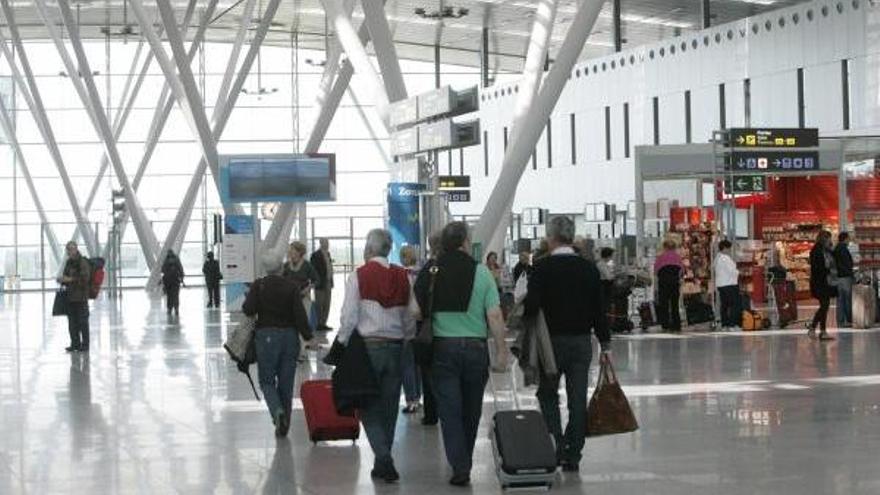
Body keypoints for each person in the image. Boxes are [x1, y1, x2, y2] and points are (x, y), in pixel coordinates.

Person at [414, 221, 508, 487]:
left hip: (443, 348)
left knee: (449, 410)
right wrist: (501, 351)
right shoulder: (482, 272)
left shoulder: (431, 270)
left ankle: (461, 466)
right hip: (476, 350)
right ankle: (464, 457)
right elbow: (494, 314)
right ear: (466, 241)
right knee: (471, 408)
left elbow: (414, 310)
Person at [524, 216, 610, 473]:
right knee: (577, 398)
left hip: (549, 343)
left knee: (548, 394)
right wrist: (605, 343)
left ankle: (557, 445)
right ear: (572, 238)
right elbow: (599, 310)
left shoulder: (541, 268)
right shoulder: (589, 269)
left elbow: (531, 307)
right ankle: (574, 452)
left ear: (550, 238)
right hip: (581, 343)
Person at [336, 229, 414, 483]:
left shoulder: (359, 275)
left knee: (367, 405)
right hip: (396, 347)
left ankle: (384, 457)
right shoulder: (403, 276)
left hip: (368, 349)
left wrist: (341, 343)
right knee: (390, 407)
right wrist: (407, 338)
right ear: (388, 249)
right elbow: (410, 315)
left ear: (369, 249)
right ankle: (383, 461)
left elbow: (349, 316)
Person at [242, 253, 312, 437]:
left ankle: (277, 412)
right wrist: (308, 336)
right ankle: (285, 424)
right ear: (281, 267)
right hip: (290, 338)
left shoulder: (260, 285)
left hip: (266, 337)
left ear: (265, 268)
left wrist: (252, 297)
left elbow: (248, 309)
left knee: (266, 380)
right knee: (286, 383)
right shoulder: (291, 286)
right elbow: (299, 315)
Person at [413, 233, 441, 427]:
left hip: (428, 331)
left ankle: (431, 414)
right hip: (451, 330)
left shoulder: (426, 271)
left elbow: (416, 303)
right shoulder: (452, 269)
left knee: (428, 372)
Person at [399, 245, 422, 415]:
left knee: (406, 363)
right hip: (421, 324)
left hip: (407, 323)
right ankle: (418, 396)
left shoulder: (403, 276)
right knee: (417, 364)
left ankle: (411, 398)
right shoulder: (422, 273)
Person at [59, 241, 91, 352]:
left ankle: (85, 345)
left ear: (76, 249)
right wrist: (62, 280)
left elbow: (85, 279)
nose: (69, 251)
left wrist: (70, 279)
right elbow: (65, 276)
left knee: (83, 323)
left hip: (81, 298)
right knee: (72, 323)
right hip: (70, 297)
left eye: (71, 249)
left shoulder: (82, 262)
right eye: (68, 249)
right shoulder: (69, 262)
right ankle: (75, 344)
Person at [283, 241, 319, 335]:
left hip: (303, 298)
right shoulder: (286, 266)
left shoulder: (307, 265)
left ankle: (303, 342)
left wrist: (308, 288)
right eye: (289, 250)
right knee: (291, 323)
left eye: (292, 250)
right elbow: (281, 279)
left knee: (303, 322)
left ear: (299, 252)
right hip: (289, 299)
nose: (290, 252)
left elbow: (316, 280)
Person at [808, 230, 837, 341]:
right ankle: (816, 328)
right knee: (825, 305)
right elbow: (817, 268)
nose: (830, 240)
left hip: (824, 282)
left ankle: (820, 330)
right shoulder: (816, 251)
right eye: (829, 238)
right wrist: (827, 269)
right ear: (824, 238)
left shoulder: (825, 250)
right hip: (819, 283)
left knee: (825, 306)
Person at [654, 240, 683, 332]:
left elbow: (656, 270)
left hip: (663, 283)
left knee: (664, 304)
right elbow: (682, 271)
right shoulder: (678, 257)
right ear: (674, 247)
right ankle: (676, 325)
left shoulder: (660, 257)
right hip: (674, 283)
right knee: (675, 305)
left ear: (665, 247)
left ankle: (665, 325)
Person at [715, 240, 741, 331]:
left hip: (721, 284)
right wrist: (738, 272)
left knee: (724, 305)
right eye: (729, 248)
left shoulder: (717, 258)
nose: (730, 250)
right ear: (725, 248)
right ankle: (732, 324)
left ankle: (724, 324)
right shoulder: (725, 258)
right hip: (729, 284)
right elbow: (732, 271)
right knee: (734, 304)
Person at [310, 238, 334, 331]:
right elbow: (313, 270)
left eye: (328, 243)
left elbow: (329, 267)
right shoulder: (315, 255)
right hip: (320, 284)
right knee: (319, 304)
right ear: (320, 243)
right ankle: (318, 323)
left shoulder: (328, 254)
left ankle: (323, 323)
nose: (327, 244)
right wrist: (316, 281)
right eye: (325, 243)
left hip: (328, 282)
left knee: (327, 304)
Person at [833, 232, 854, 328]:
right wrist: (851, 273)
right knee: (846, 299)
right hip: (845, 277)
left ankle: (841, 321)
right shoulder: (843, 249)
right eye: (848, 238)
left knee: (840, 300)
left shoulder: (836, 248)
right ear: (845, 239)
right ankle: (847, 320)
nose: (849, 240)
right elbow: (847, 263)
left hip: (838, 277)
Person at [161, 250, 185, 317]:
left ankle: (170, 309)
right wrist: (182, 278)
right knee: (175, 295)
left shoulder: (166, 260)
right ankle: (175, 309)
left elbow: (162, 270)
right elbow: (181, 269)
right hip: (174, 281)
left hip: (169, 281)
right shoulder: (176, 260)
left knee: (170, 296)